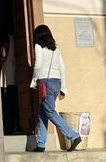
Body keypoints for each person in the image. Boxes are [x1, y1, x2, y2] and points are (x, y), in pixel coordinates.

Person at [30, 24, 81, 153]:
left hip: (44, 82)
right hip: (56, 81)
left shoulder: (38, 46)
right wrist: (63, 87)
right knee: (43, 112)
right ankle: (41, 144)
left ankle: (73, 136)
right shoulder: (55, 49)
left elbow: (38, 65)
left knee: (50, 112)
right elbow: (62, 67)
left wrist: (34, 80)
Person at [0, 31, 19, 133]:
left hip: (7, 72)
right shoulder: (15, 38)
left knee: (7, 101)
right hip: (13, 70)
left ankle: (8, 126)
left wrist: (2, 61)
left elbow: (4, 52)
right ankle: (13, 125)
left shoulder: (7, 38)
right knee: (12, 101)